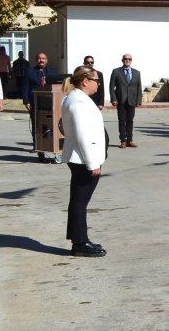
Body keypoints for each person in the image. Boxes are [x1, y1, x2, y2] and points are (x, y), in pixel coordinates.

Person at [60, 66, 107, 257]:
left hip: (81, 157)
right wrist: (92, 162)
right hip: (82, 159)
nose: (98, 84)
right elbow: (81, 134)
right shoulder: (78, 101)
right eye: (96, 80)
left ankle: (79, 239)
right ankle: (79, 244)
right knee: (80, 202)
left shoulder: (77, 98)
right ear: (85, 81)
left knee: (78, 201)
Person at [22, 52, 58, 141]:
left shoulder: (53, 71)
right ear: (36, 60)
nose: (41, 60)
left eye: (43, 58)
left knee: (49, 123)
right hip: (35, 101)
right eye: (39, 58)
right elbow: (25, 87)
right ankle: (36, 144)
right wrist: (26, 101)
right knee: (36, 123)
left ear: (47, 60)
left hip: (50, 101)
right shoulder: (29, 71)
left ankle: (46, 143)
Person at [109, 54, 143, 148]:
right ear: (122, 60)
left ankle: (129, 140)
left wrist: (139, 100)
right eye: (125, 59)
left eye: (129, 59)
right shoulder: (116, 71)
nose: (127, 60)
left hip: (132, 100)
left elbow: (139, 87)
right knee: (122, 120)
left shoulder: (137, 72)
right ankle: (123, 141)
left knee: (130, 121)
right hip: (121, 100)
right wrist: (114, 99)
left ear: (131, 60)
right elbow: (111, 87)